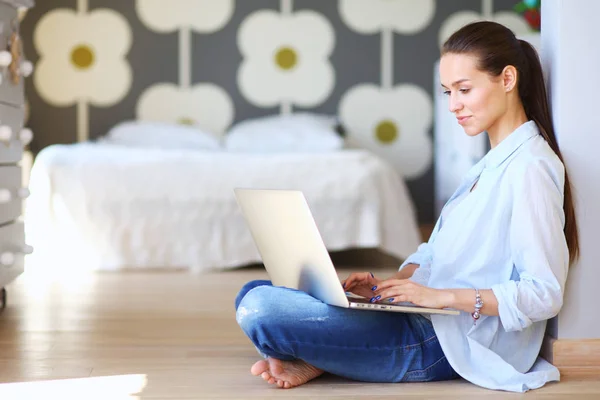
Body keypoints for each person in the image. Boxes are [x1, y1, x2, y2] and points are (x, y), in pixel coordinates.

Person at [234, 21, 579, 392]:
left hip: (450, 344)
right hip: (427, 319)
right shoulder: (491, 164)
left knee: (260, 307)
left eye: (464, 90)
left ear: (507, 79)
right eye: (448, 92)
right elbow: (437, 253)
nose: (453, 106)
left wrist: (440, 297)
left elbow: (544, 292)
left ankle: (320, 356)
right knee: (252, 290)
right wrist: (393, 287)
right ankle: (325, 355)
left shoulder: (531, 168)